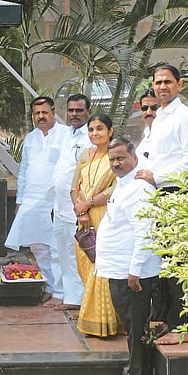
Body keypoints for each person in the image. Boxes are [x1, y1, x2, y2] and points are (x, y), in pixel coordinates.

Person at [135, 63, 188, 344]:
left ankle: (181, 327)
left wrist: (157, 176)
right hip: (159, 196)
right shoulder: (160, 116)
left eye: (168, 82)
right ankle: (167, 320)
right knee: (164, 263)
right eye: (158, 82)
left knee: (176, 263)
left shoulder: (183, 116)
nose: (162, 86)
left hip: (177, 194)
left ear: (179, 85)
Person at [95, 138, 160, 375]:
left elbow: (145, 231)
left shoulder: (139, 188)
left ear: (134, 157)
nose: (116, 163)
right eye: (112, 159)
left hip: (132, 273)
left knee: (136, 325)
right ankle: (131, 372)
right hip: (118, 269)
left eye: (121, 158)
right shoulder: (123, 184)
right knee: (130, 324)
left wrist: (135, 270)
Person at [5, 96, 68, 300]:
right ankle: (49, 287)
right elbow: (23, 171)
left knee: (56, 246)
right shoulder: (31, 138)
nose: (41, 116)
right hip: (32, 200)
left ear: (53, 113)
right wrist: (20, 201)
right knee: (37, 246)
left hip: (56, 200)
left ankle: (61, 291)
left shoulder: (66, 135)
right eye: (37, 113)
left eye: (44, 112)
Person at [71, 113, 118, 337]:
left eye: (100, 128)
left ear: (110, 131)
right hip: (83, 217)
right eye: (91, 129)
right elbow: (74, 187)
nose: (95, 133)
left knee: (102, 266)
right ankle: (93, 316)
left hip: (104, 215)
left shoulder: (115, 155)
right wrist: (81, 211)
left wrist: (88, 204)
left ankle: (103, 321)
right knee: (87, 264)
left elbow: (114, 189)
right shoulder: (85, 155)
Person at [51, 94, 92, 311]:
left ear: (88, 112)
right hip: (59, 206)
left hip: (77, 207)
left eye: (79, 110)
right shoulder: (66, 135)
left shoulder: (90, 137)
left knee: (79, 253)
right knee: (63, 254)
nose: (74, 114)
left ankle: (84, 300)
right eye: (71, 110)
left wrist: (82, 208)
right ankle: (72, 297)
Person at [135, 87, 158, 166]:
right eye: (144, 108)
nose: (148, 112)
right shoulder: (147, 133)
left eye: (154, 108)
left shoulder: (168, 134)